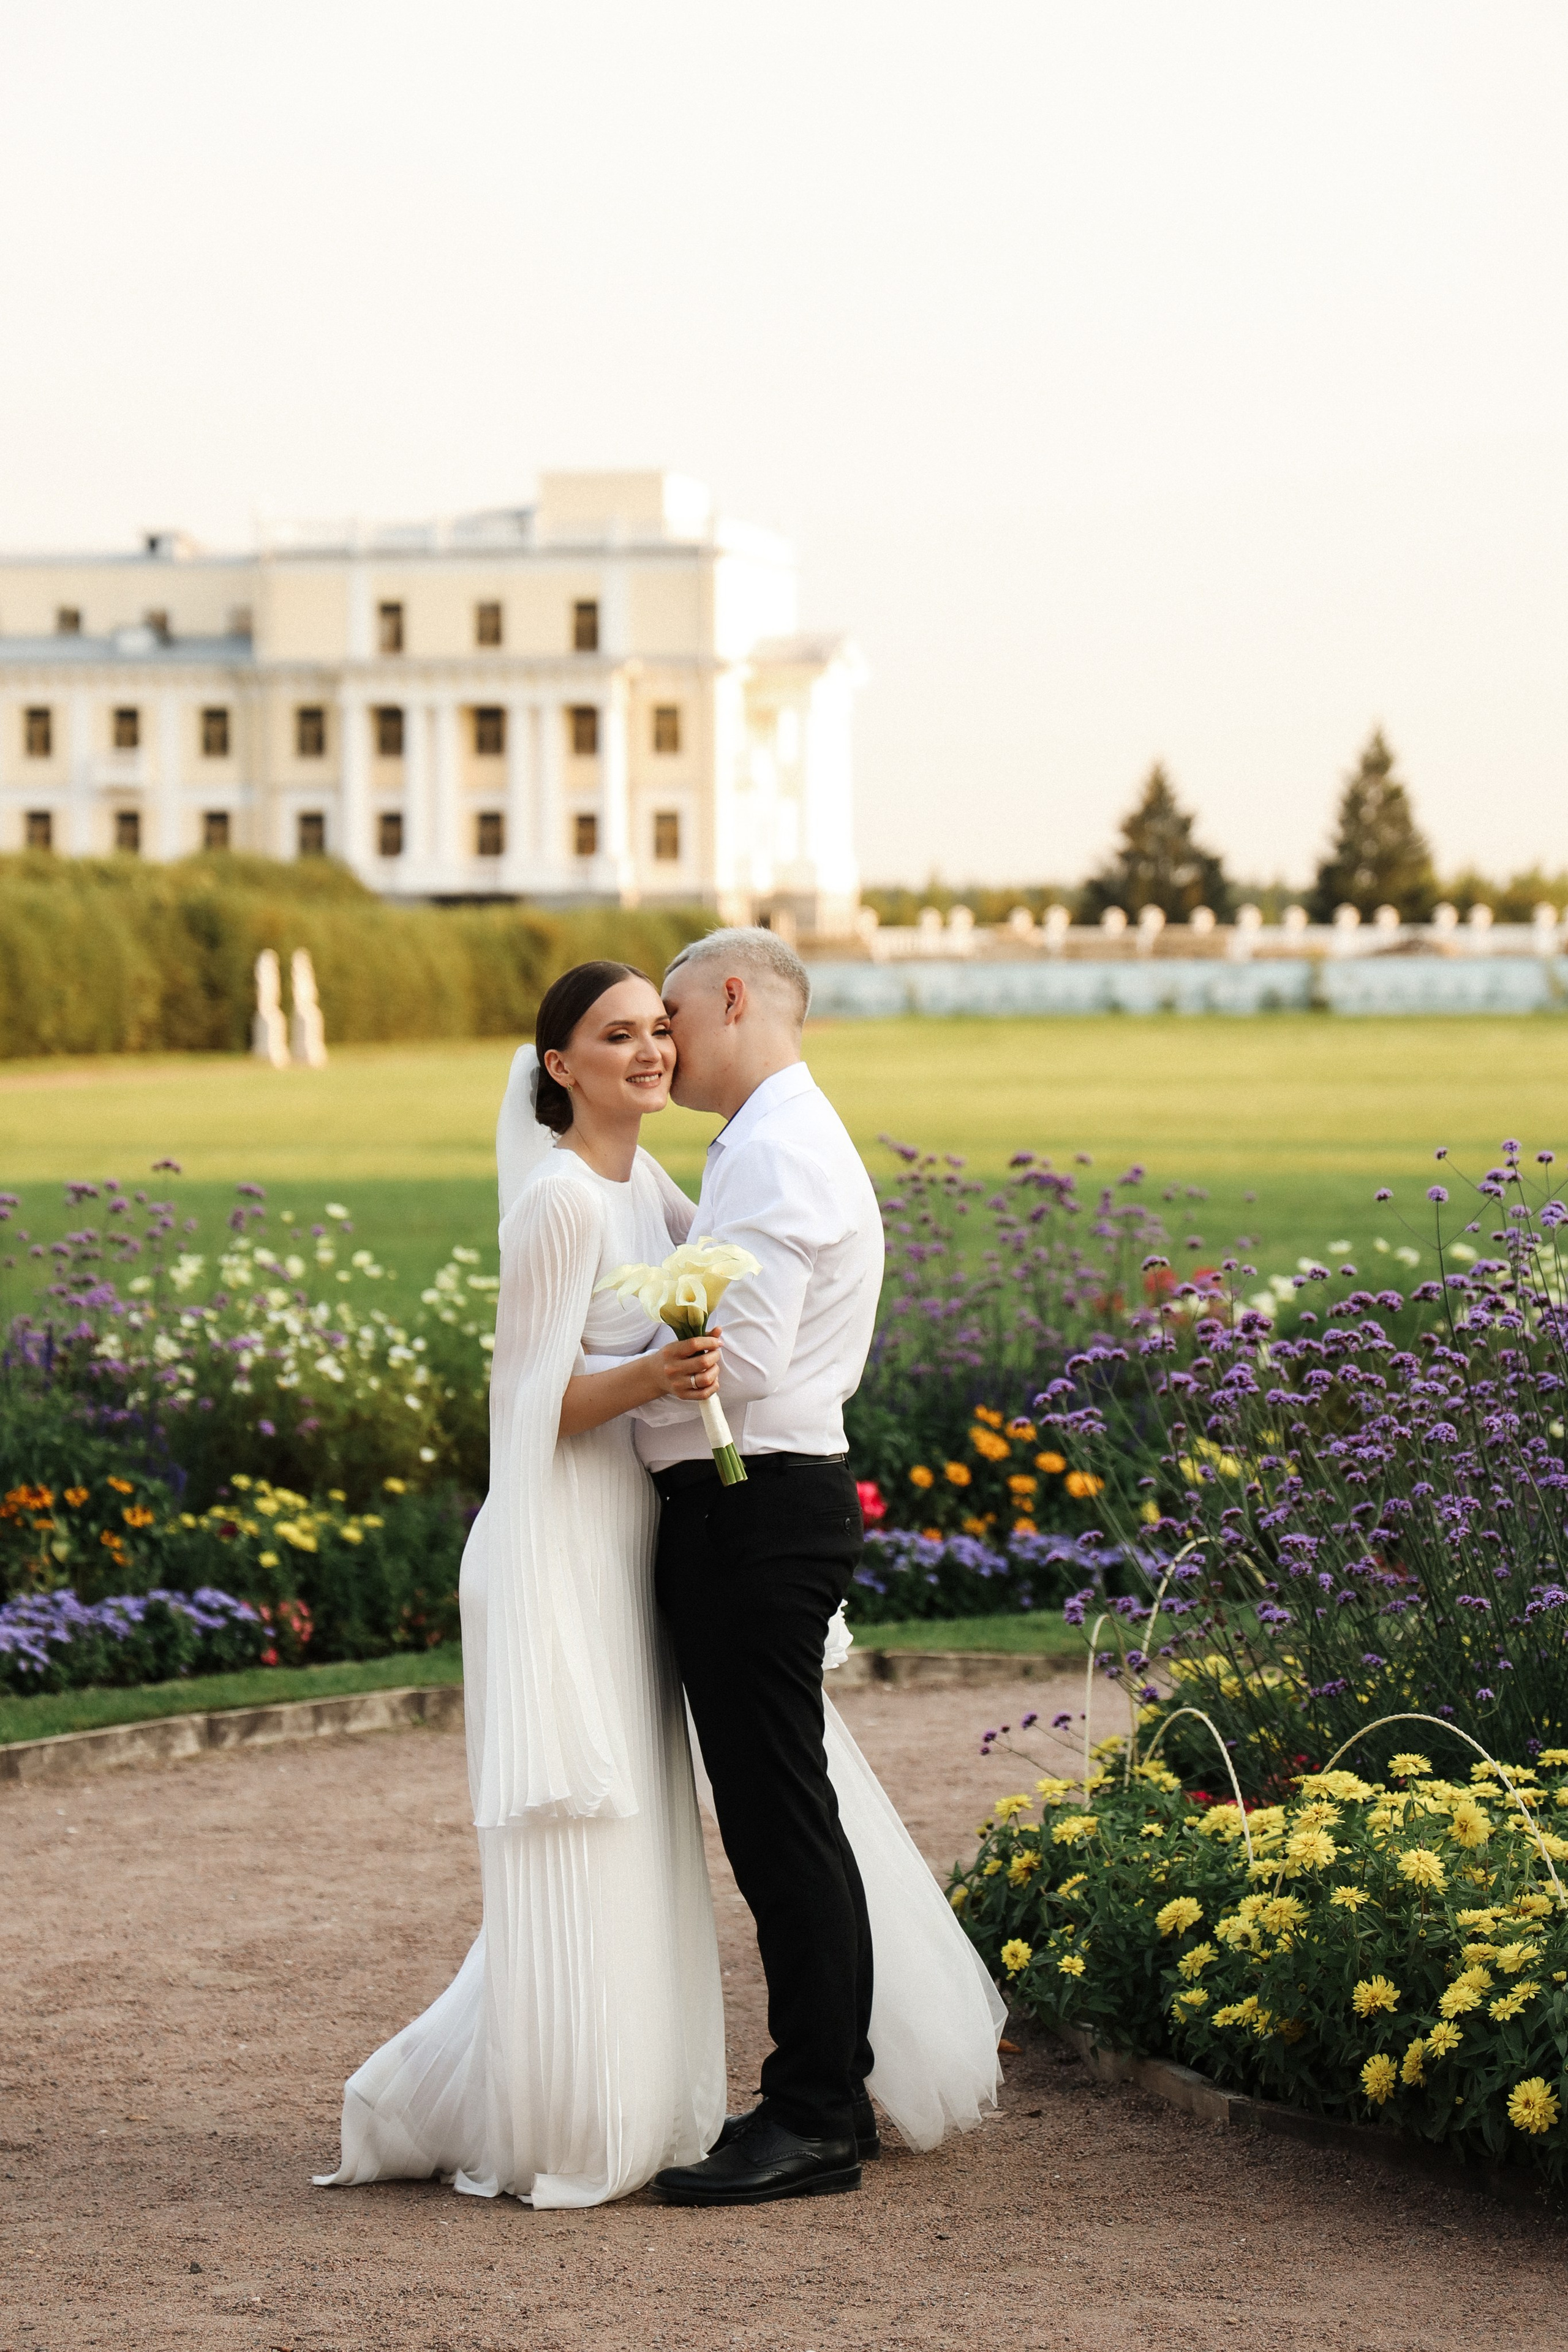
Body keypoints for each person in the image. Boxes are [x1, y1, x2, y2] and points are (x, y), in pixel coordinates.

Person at [315, 949, 1002, 2212]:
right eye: (624, 1032)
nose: (659, 1050)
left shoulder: (767, 1152)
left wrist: (660, 1357)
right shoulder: (701, 1163)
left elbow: (740, 1364)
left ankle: (813, 2111)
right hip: (677, 1518)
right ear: (562, 1064)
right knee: (772, 1815)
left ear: (727, 1002)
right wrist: (654, 1357)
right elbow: (556, 1382)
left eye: (666, 1020)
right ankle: (808, 2093)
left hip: (752, 1511)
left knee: (777, 1821)